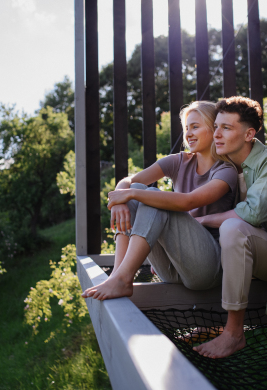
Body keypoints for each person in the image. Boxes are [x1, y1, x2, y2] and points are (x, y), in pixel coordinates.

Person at [192, 96, 267, 359]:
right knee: (225, 232)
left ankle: (234, 333)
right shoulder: (223, 166)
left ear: (249, 134)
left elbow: (253, 213)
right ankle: (211, 322)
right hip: (237, 254)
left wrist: (201, 221)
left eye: (226, 128)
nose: (217, 134)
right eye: (216, 126)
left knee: (233, 228)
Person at [81, 101, 237, 301]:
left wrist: (131, 194)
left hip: (207, 269)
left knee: (151, 197)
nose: (188, 133)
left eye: (195, 127)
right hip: (172, 268)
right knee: (136, 190)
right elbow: (129, 181)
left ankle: (122, 277)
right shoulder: (180, 161)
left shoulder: (226, 171)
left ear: (214, 128)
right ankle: (119, 274)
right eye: (186, 128)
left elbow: (188, 202)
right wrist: (119, 198)